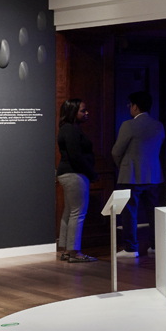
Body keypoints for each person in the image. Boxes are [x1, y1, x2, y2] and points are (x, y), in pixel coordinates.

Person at [111, 90, 165, 257]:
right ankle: (156, 246)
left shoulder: (129, 125)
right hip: (154, 175)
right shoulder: (158, 125)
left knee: (130, 213)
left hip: (132, 175)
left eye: (130, 105)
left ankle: (131, 248)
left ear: (135, 106)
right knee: (154, 213)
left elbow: (116, 151)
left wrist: (123, 166)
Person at [56, 98, 98, 263]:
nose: (86, 113)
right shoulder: (71, 130)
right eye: (83, 110)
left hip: (69, 174)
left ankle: (67, 250)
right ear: (73, 112)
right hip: (74, 174)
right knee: (77, 213)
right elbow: (76, 157)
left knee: (69, 212)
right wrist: (92, 174)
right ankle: (74, 252)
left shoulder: (67, 129)